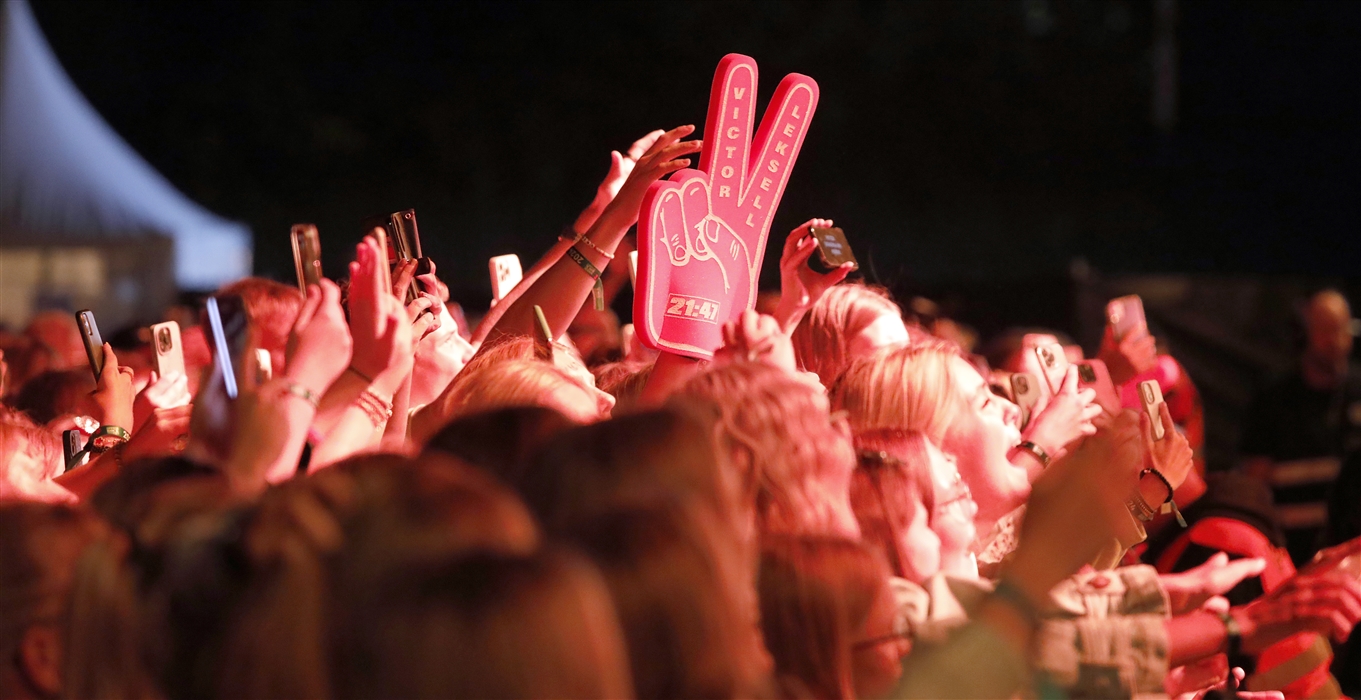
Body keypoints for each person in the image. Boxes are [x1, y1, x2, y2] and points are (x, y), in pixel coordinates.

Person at [1241, 289, 1361, 565]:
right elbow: (1255, 480)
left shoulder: (1357, 390)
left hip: (1351, 551)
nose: (1336, 341)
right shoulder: (1274, 399)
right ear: (1307, 333)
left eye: (1342, 330)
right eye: (1326, 331)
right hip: (1290, 551)